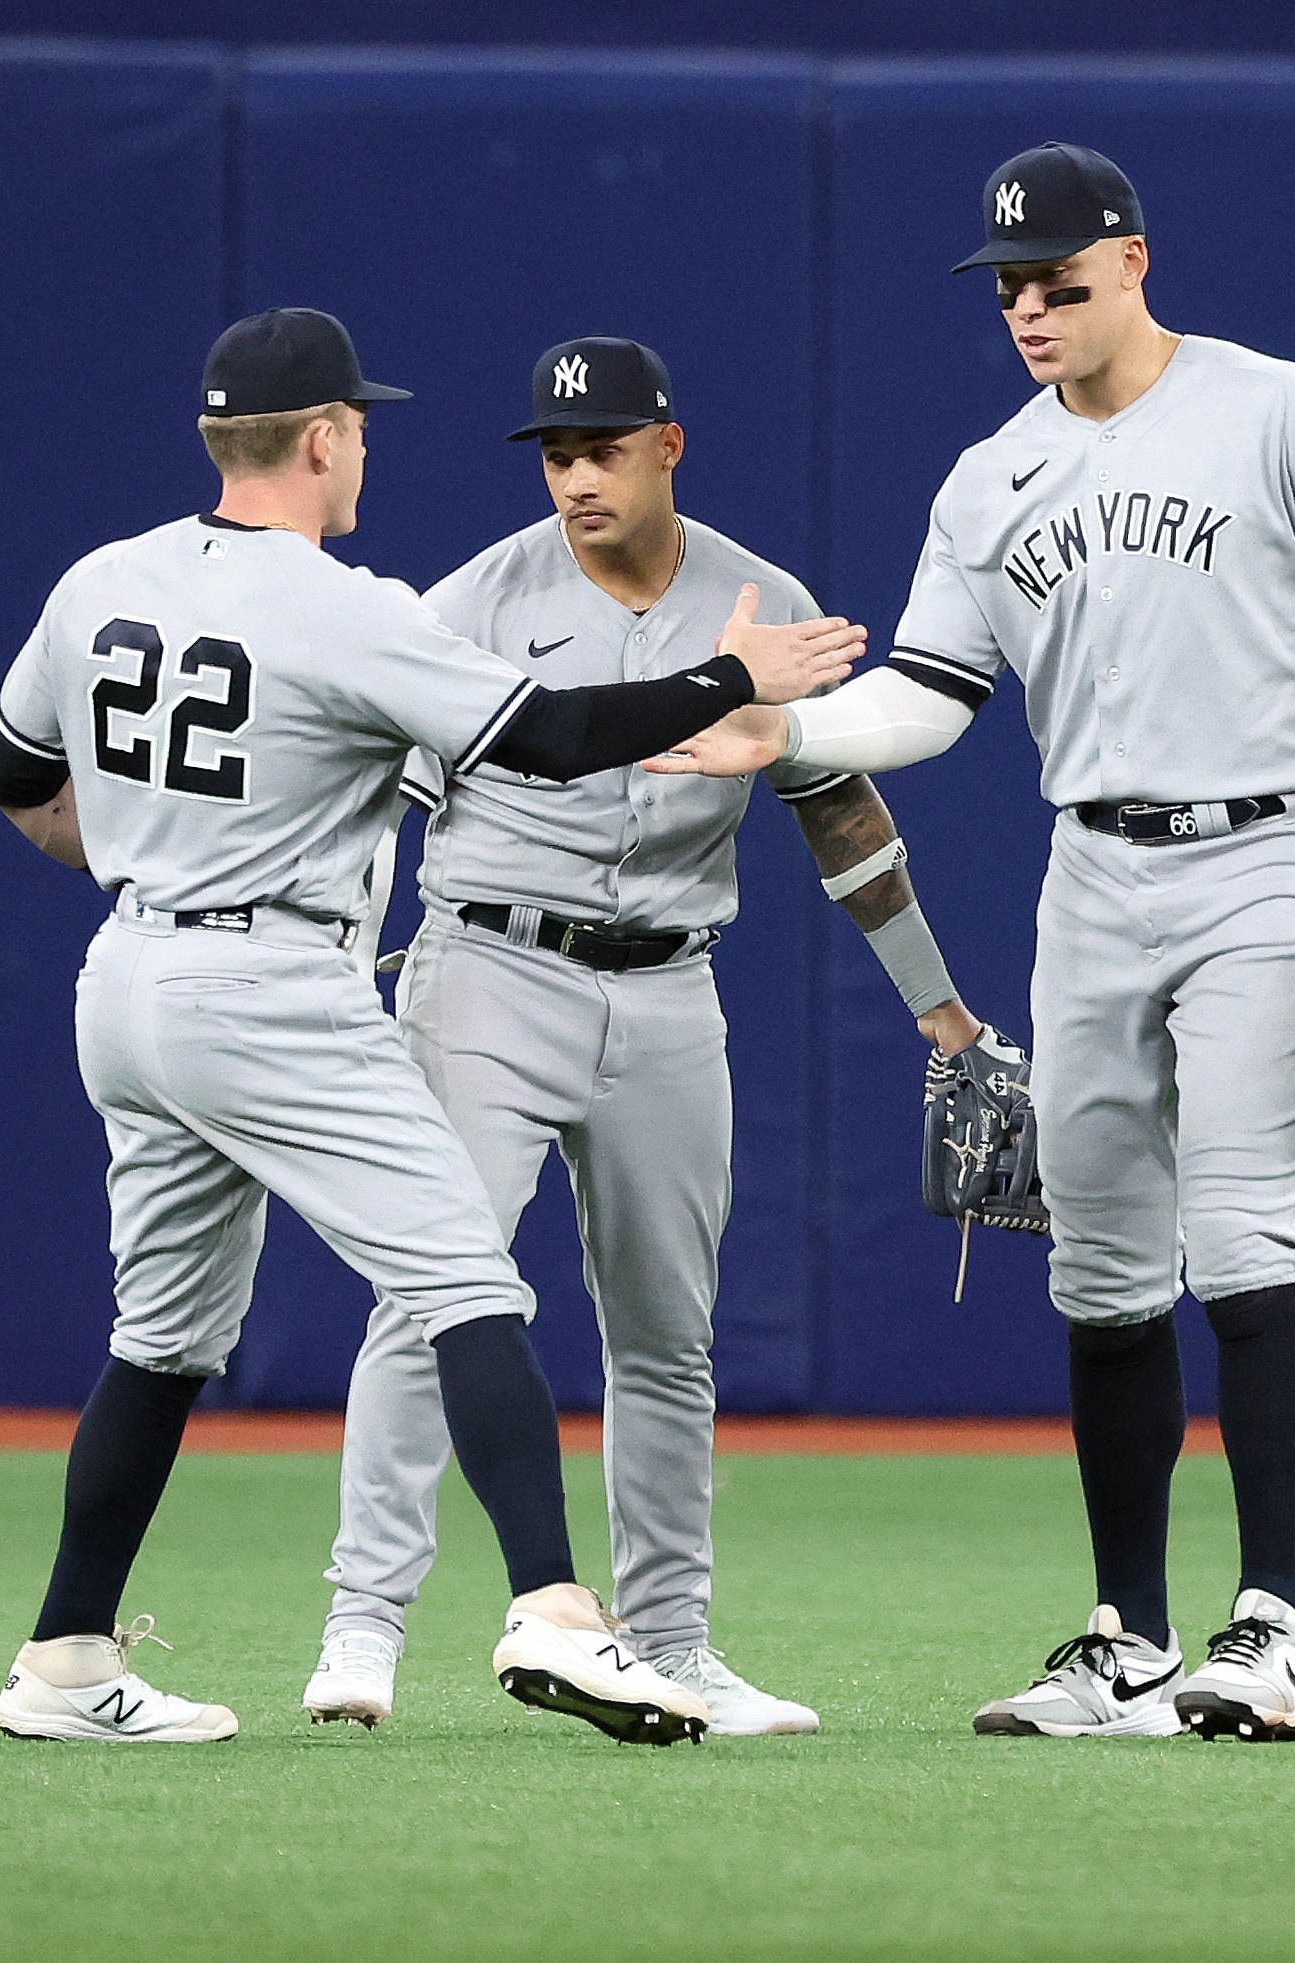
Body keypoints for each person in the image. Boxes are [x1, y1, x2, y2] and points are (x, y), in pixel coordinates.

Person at [649, 144, 1295, 1743]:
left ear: (1133, 260)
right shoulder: (988, 479)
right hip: (1093, 879)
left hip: (1274, 852)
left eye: (1058, 281)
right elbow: (928, 694)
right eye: (1008, 291)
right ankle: (1127, 1642)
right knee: (1105, 1273)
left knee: (1246, 1240)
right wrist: (777, 730)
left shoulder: (1275, 410)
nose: (1031, 311)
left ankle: (1270, 1634)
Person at [0, 307, 863, 1745]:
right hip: (268, 986)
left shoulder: (103, 578)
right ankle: (557, 1613)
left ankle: (65, 1663)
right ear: (321, 439)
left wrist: (150, 853)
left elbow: (14, 777)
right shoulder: (347, 605)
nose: (365, 447)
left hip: (128, 976)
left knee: (161, 1341)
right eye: (361, 427)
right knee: (467, 1286)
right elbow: (556, 740)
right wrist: (731, 681)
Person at [302, 337, 997, 1737]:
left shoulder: (762, 604)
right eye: (556, 454)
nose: (574, 477)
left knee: (668, 1335)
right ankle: (362, 1626)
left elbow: (840, 810)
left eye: (601, 448)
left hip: (672, 985)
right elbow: (371, 794)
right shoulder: (471, 603)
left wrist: (933, 998)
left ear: (666, 447)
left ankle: (672, 1643)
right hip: (489, 968)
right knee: (437, 1292)